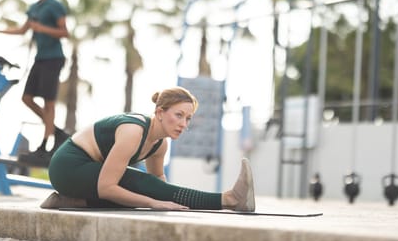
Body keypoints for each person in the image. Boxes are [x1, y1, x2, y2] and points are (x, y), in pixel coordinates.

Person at [40, 86, 256, 211]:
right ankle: (230, 199)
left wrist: (168, 199)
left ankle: (70, 200)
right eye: (178, 115)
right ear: (160, 112)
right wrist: (154, 202)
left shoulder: (160, 144)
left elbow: (158, 180)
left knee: (133, 197)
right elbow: (110, 187)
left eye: (188, 118)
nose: (184, 124)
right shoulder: (133, 131)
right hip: (68, 166)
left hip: (90, 172)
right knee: (136, 186)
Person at [0, 0, 69, 163]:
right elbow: (22, 30)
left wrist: (42, 28)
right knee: (26, 98)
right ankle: (54, 129)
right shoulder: (34, 8)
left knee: (49, 102)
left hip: (54, 58)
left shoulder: (54, 6)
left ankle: (47, 144)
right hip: (40, 58)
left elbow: (64, 32)